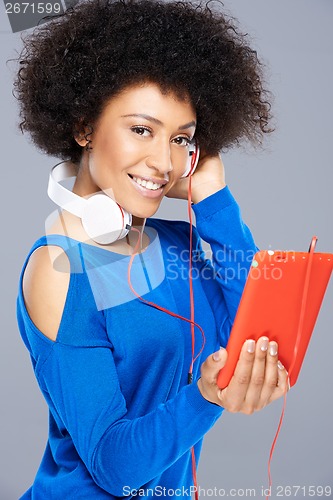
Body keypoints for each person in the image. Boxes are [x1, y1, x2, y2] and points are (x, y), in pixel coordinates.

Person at [14, 0, 289, 498]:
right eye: (141, 129)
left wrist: (214, 199)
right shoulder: (58, 270)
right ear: (84, 127)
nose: (164, 161)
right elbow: (113, 465)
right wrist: (206, 396)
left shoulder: (181, 242)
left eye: (181, 139)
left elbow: (255, 329)